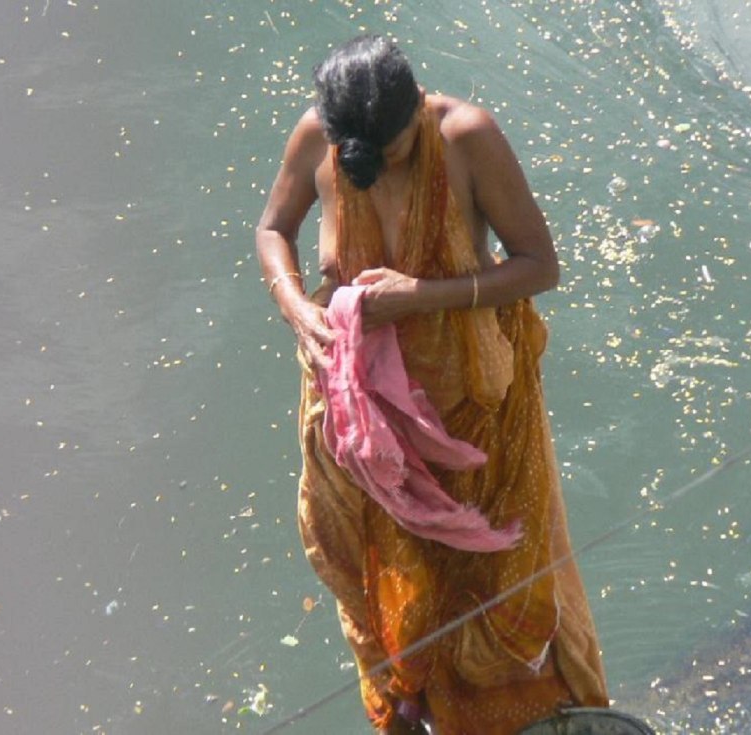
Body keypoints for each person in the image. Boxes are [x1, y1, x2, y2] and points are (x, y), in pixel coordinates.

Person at [256, 35, 608, 734]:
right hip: (362, 416)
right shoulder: (316, 136)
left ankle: (525, 718)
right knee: (389, 578)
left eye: (387, 155)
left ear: (415, 111)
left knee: (497, 569)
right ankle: (417, 709)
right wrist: (298, 307)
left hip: (473, 412)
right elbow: (273, 228)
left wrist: (418, 295)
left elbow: (540, 266)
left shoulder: (465, 135)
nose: (375, 169)